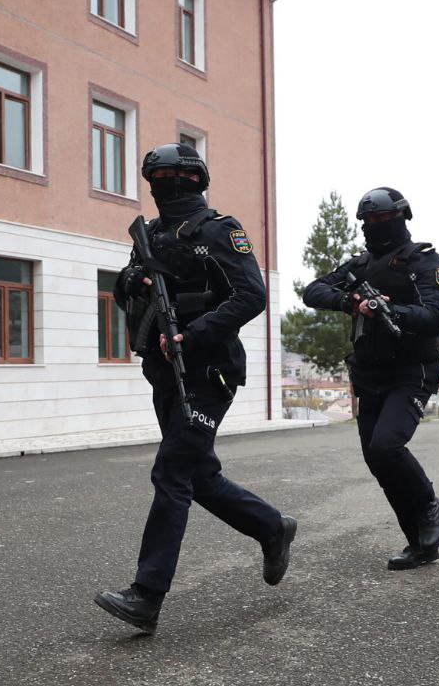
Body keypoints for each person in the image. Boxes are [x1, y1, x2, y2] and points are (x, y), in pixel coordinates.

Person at [94, 143, 296, 634]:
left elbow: (252, 295)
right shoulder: (153, 234)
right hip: (162, 371)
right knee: (198, 476)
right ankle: (272, 527)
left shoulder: (218, 230)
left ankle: (146, 594)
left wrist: (195, 331)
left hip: (208, 373)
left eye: (173, 175)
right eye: (156, 176)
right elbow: (121, 289)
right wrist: (134, 281)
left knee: (172, 473)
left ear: (196, 179)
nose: (164, 183)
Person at [302, 188, 439, 569]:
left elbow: (438, 316)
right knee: (377, 459)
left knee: (387, 447)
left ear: (401, 218)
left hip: (412, 370)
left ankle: (430, 506)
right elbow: (313, 290)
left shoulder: (423, 260)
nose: (373, 227)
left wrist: (390, 308)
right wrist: (349, 301)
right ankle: (419, 544)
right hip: (370, 374)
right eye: (367, 222)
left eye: (381, 220)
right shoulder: (360, 264)